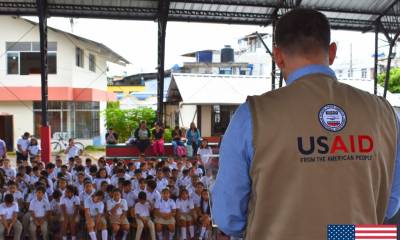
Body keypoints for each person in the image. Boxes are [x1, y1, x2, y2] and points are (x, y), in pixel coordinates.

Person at [212, 9, 400, 240]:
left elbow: (229, 217)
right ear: (332, 52)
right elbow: (390, 206)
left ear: (278, 56)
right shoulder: (385, 113)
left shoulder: (252, 116)